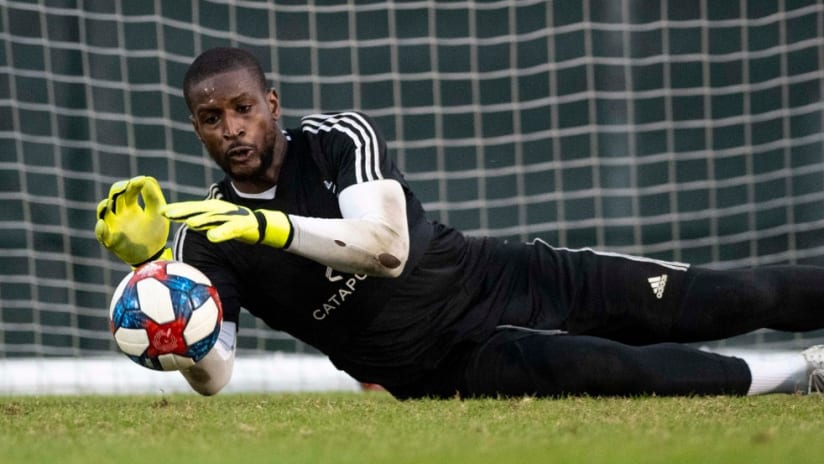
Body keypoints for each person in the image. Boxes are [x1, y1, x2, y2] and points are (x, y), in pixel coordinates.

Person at [95, 46, 824, 399]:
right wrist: (161, 289)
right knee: (599, 369)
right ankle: (801, 377)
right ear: (196, 129)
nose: (232, 128)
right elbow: (216, 377)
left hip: (495, 274)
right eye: (210, 118)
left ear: (273, 104)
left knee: (730, 296)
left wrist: (271, 230)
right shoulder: (199, 233)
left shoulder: (337, 139)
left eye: (243, 108)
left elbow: (386, 250)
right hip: (430, 365)